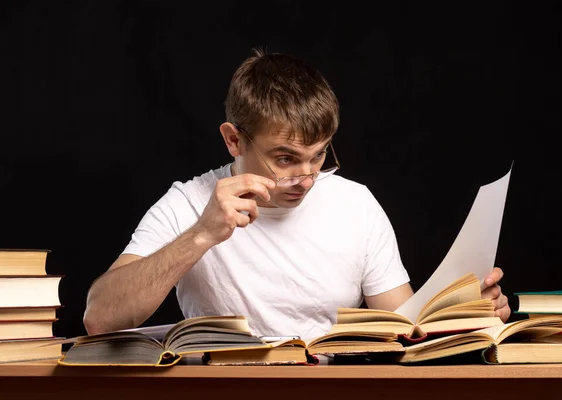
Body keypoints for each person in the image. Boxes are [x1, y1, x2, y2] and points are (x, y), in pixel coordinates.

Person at [83, 48, 510, 339]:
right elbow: (99, 318)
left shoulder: (356, 205)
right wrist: (201, 235)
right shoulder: (189, 203)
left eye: (320, 156)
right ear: (234, 140)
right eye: (286, 159)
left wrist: (465, 316)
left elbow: (404, 327)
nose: (306, 178)